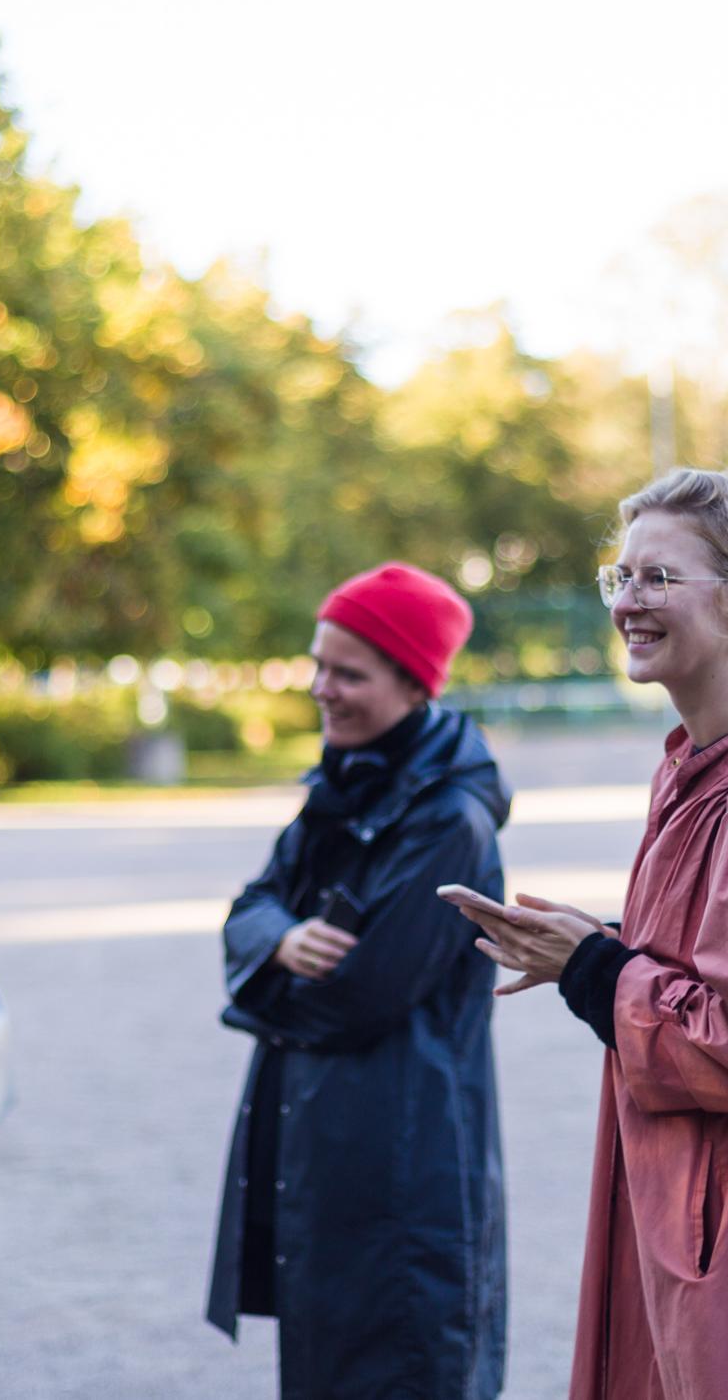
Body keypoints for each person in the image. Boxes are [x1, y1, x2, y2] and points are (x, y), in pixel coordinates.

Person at [445, 469, 728, 1400]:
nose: (628, 602)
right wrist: (592, 946)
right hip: (693, 1212)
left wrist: (600, 971)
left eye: (658, 578)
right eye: (622, 578)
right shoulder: (701, 765)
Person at [208, 562, 511, 1400]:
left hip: (405, 1171)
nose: (322, 690)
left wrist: (267, 964)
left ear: (414, 685)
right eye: (318, 665)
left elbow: (356, 993)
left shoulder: (449, 819)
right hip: (327, 1159)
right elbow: (249, 906)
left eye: (348, 673)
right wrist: (282, 937)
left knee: (404, 1368)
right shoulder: (342, 786)